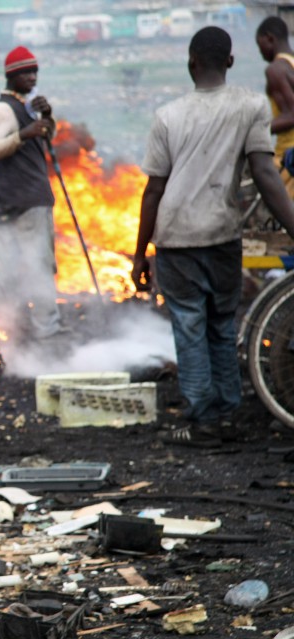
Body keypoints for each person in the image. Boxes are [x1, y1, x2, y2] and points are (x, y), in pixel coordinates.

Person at [132, 27, 294, 448]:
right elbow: (265, 173)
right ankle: (224, 412)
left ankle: (203, 420)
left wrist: (139, 254)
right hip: (222, 235)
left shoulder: (168, 116)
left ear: (191, 63)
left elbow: (153, 190)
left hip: (176, 238)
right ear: (230, 62)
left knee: (189, 327)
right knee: (221, 324)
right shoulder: (250, 105)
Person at [0, 45, 64, 342]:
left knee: (19, 269)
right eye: (26, 73)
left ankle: (17, 330)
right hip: (23, 202)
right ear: (11, 76)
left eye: (35, 72)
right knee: (31, 268)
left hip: (21, 200)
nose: (32, 77)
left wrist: (47, 116)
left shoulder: (25, 106)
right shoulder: (3, 110)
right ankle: (39, 330)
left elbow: (45, 138)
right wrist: (23, 135)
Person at [255, 17, 294, 199]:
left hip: (287, 158)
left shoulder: (275, 69)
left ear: (269, 38)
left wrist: (254, 131)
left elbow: (292, 115)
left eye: (259, 45)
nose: (260, 52)